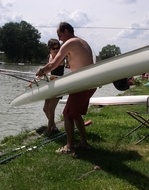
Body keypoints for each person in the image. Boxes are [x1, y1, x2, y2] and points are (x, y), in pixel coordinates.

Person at [36, 22, 96, 153]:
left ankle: (69, 147)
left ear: (66, 31)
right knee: (76, 115)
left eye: (59, 35)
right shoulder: (83, 42)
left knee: (67, 115)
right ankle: (84, 143)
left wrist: (41, 71)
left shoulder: (69, 43)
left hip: (82, 84)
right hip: (90, 84)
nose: (59, 39)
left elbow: (53, 64)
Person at [42, 39, 65, 136]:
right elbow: (46, 71)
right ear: (49, 49)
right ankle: (54, 127)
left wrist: (43, 74)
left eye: (58, 48)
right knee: (45, 109)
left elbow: (50, 68)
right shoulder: (50, 57)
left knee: (51, 109)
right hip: (51, 85)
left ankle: (48, 131)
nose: (56, 50)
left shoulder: (60, 59)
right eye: (53, 48)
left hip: (58, 86)